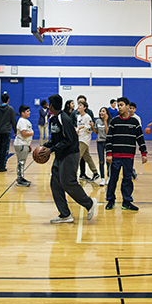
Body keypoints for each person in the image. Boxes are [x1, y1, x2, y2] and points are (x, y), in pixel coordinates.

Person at [44, 94, 98, 224]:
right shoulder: (53, 120)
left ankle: (89, 203)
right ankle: (65, 214)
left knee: (67, 182)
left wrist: (50, 150)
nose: (48, 106)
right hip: (60, 154)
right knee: (55, 183)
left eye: (49, 104)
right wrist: (43, 147)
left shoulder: (65, 119)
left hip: (70, 153)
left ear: (51, 105)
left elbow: (70, 139)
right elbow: (55, 139)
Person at [105, 97, 148, 211]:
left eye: (121, 105)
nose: (119, 107)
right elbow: (109, 138)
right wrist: (109, 153)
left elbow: (140, 138)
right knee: (113, 179)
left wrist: (144, 152)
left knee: (127, 179)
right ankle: (110, 200)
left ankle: (127, 202)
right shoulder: (114, 121)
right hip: (115, 156)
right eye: (118, 105)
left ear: (128, 107)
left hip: (128, 156)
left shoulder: (134, 122)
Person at [0, 93, 17, 172]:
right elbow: (13, 121)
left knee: (0, 148)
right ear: (8, 100)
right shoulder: (10, 109)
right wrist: (15, 130)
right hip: (6, 131)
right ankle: (2, 166)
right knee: (4, 149)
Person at [76, 100, 100, 182]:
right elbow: (78, 127)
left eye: (80, 105)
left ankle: (72, 175)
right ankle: (95, 173)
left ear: (84, 107)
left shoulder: (87, 117)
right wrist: (77, 130)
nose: (78, 106)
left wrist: (83, 127)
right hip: (79, 138)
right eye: (78, 105)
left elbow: (90, 130)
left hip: (84, 139)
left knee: (77, 156)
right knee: (87, 157)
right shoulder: (78, 117)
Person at [13, 105, 33, 187]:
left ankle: (21, 177)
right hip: (21, 144)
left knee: (22, 162)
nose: (29, 112)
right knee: (21, 162)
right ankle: (20, 179)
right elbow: (24, 133)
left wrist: (29, 145)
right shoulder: (22, 121)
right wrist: (32, 133)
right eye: (27, 111)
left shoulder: (25, 121)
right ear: (22, 113)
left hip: (24, 144)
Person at [93, 107, 111, 186]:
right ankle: (102, 178)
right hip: (99, 142)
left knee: (108, 161)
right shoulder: (98, 121)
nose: (101, 113)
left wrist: (105, 121)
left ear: (106, 113)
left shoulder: (110, 121)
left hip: (107, 142)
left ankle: (109, 177)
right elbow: (96, 132)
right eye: (100, 111)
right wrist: (92, 126)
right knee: (101, 161)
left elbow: (108, 132)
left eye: (103, 111)